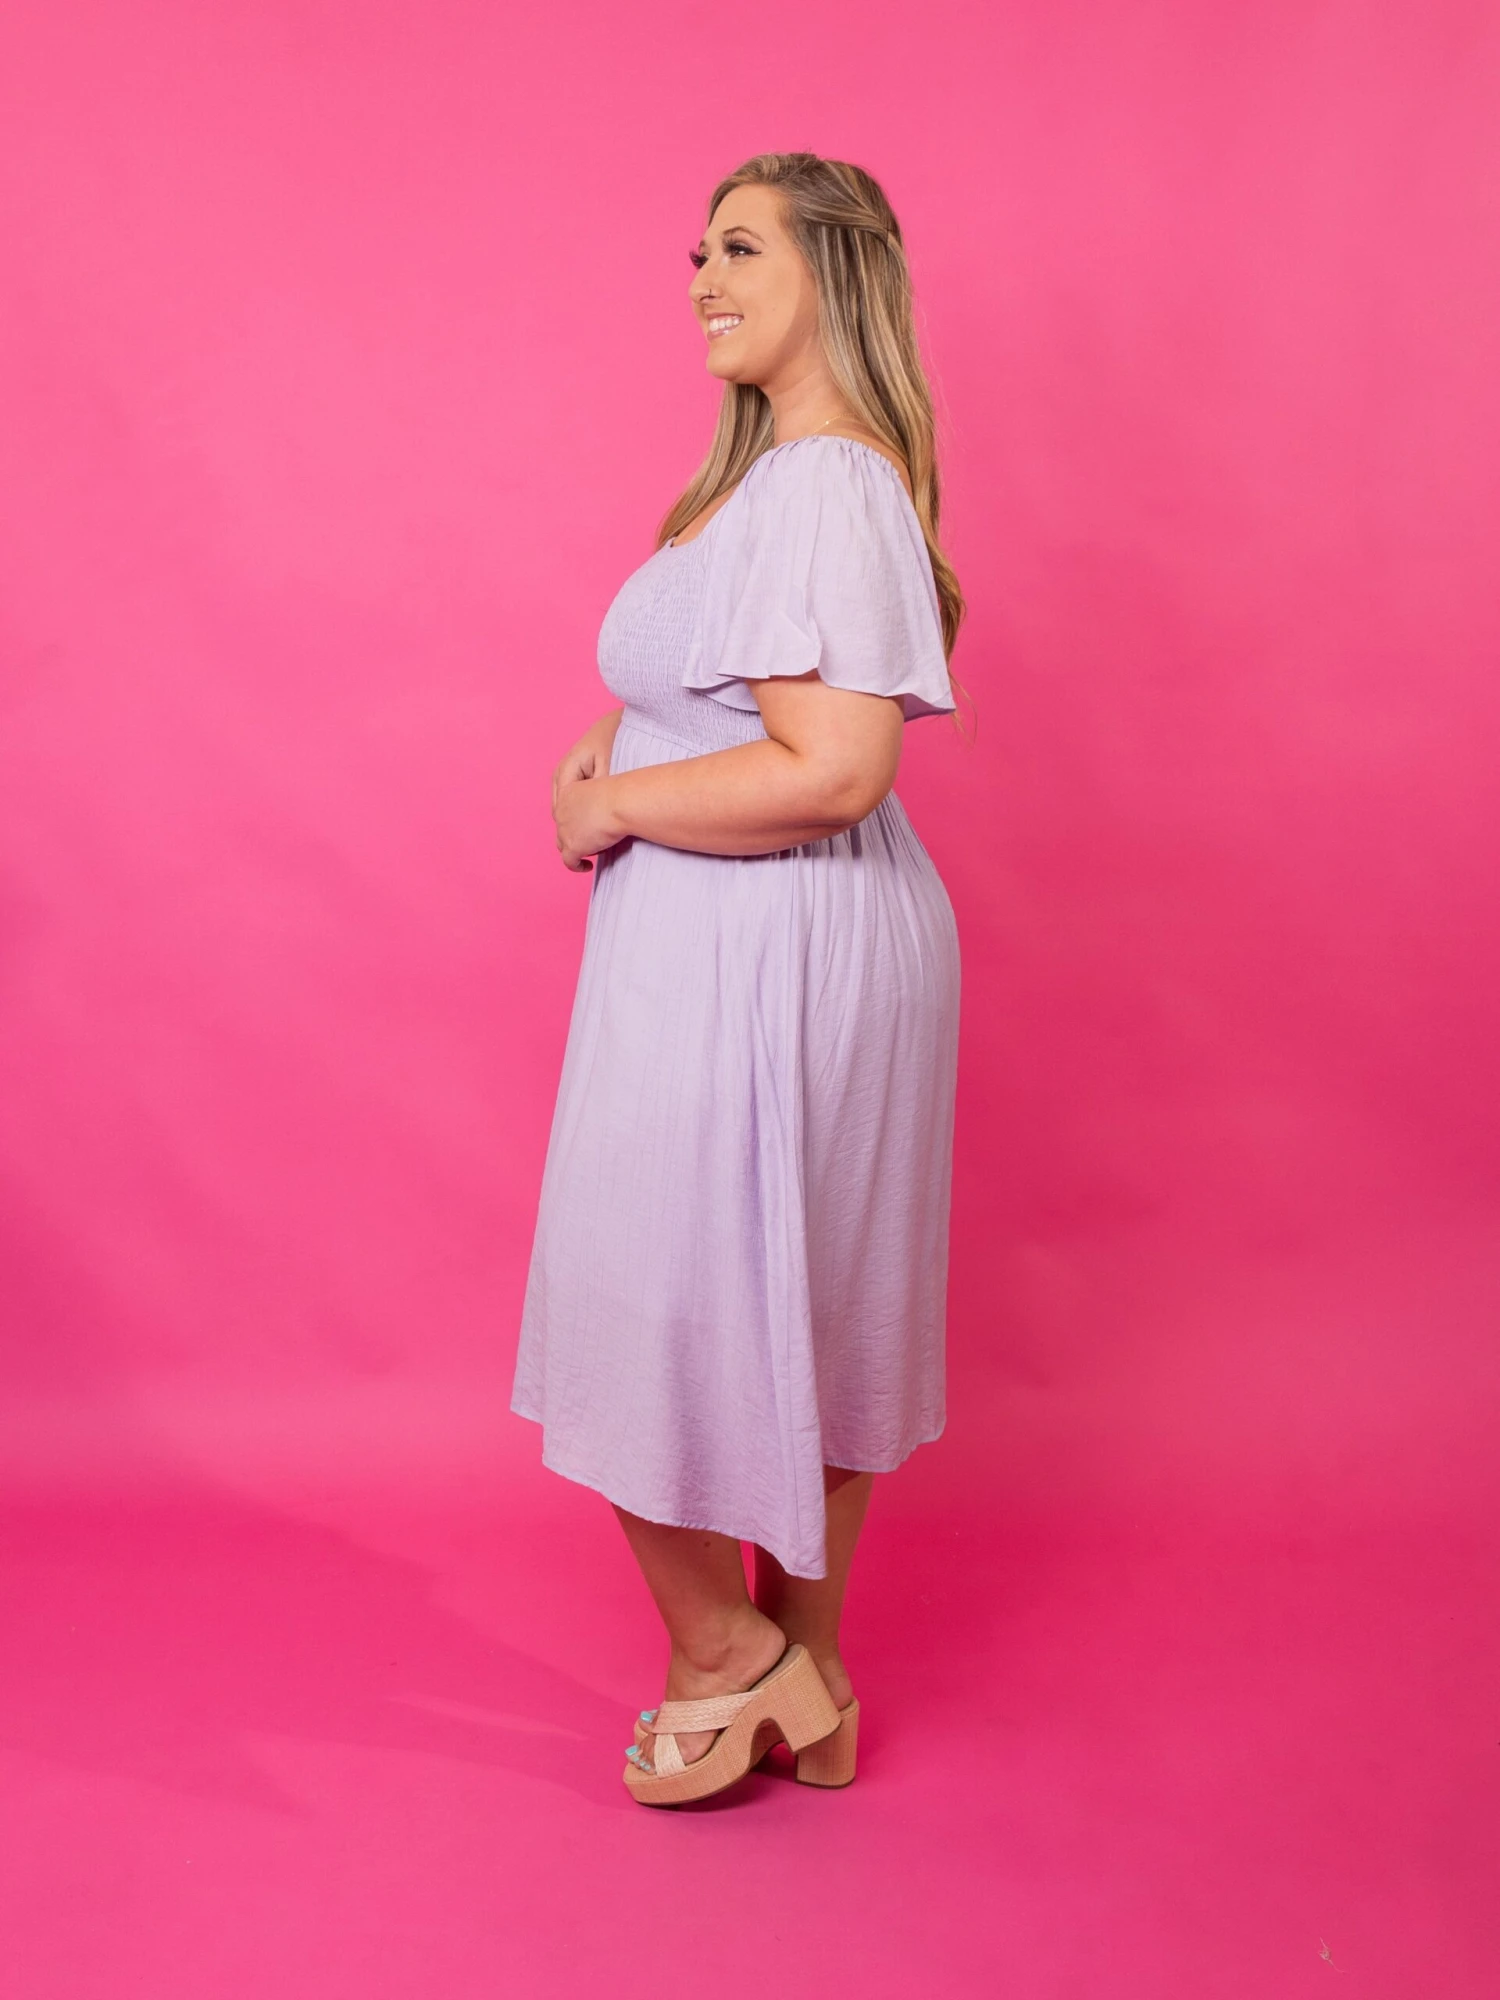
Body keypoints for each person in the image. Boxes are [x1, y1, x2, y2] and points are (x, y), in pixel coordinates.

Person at [511, 150, 966, 1807]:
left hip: (769, 942)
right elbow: (739, 694)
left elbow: (833, 767)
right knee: (806, 1305)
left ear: (837, 272)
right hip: (777, 937)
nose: (704, 276)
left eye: (744, 247)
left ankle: (727, 1658)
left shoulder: (824, 484)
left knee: (647, 1297)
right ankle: (812, 1684)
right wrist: (628, 737)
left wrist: (616, 805)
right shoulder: (779, 484)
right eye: (697, 250)